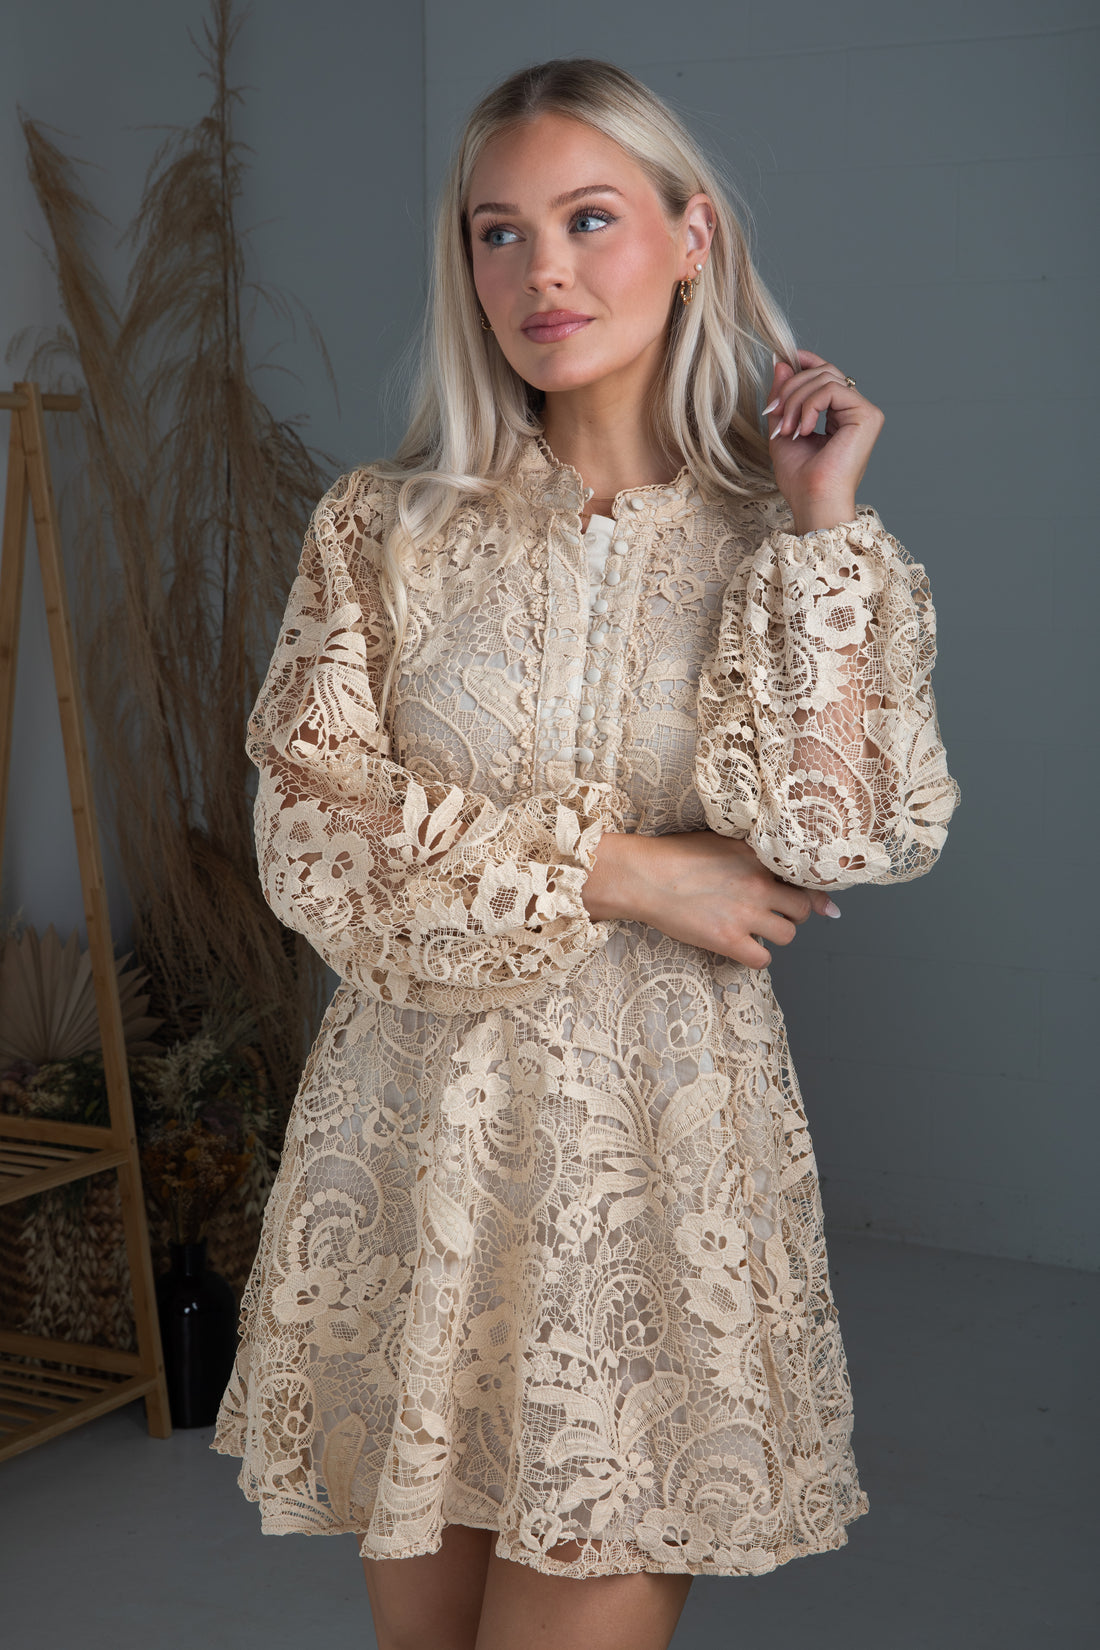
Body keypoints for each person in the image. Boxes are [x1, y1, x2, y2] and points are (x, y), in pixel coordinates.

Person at [212, 56, 959, 1650]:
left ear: (692, 238)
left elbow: (846, 828)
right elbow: (309, 825)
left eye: (589, 219)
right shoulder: (381, 527)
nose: (540, 270)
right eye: (498, 233)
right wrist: (635, 869)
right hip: (415, 1156)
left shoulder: (783, 542)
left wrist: (826, 525)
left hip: (650, 1171)